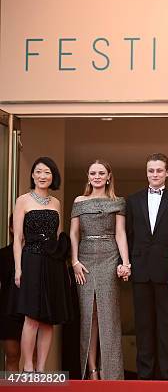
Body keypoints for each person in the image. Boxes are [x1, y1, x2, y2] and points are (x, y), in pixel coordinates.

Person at [70, 160, 130, 380]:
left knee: (108, 314)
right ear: (88, 177)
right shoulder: (79, 201)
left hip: (109, 257)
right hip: (84, 260)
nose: (96, 176)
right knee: (89, 314)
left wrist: (125, 262)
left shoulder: (118, 202)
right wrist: (74, 261)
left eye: (101, 173)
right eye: (92, 173)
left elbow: (120, 233)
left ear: (108, 176)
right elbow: (74, 233)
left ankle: (111, 372)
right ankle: (92, 369)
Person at [125, 153, 168, 380]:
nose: (155, 174)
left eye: (159, 170)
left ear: (167, 172)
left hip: (166, 271)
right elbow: (128, 235)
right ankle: (144, 377)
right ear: (146, 172)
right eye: (151, 170)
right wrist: (126, 264)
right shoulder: (133, 200)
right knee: (143, 327)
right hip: (140, 270)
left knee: (167, 328)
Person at [13, 157, 72, 372]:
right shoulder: (22, 200)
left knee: (49, 319)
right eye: (38, 171)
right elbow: (18, 238)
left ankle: (41, 369)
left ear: (53, 176)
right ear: (32, 174)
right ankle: (27, 368)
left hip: (53, 263)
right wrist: (18, 269)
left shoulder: (56, 203)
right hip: (31, 260)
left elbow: (57, 237)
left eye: (47, 172)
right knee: (32, 317)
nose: (42, 176)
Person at [0, 215, 24, 371]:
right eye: (17, 225)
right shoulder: (2, 255)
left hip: (32, 310)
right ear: (10, 228)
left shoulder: (37, 256)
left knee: (34, 356)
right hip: (8, 311)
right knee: (12, 354)